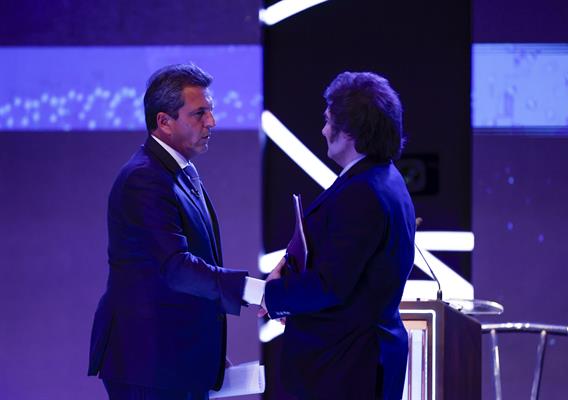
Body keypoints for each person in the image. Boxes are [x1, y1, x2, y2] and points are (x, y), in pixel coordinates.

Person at [88, 63, 264, 400]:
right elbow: (176, 267)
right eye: (199, 113)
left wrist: (207, 353)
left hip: (175, 361)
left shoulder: (177, 171)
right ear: (164, 122)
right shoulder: (144, 179)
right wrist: (257, 291)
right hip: (149, 366)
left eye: (210, 111)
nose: (211, 122)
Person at [261, 71, 416, 399]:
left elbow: (332, 284)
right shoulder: (384, 179)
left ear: (350, 132)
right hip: (359, 362)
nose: (323, 130)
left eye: (328, 120)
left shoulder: (363, 191)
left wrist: (274, 295)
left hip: (346, 368)